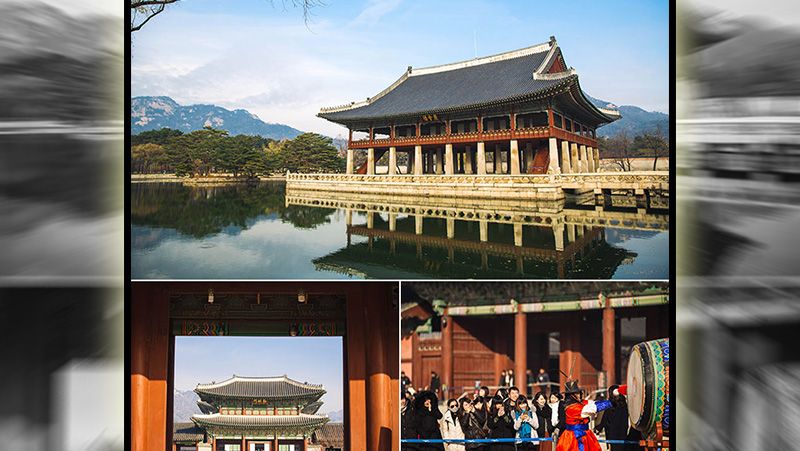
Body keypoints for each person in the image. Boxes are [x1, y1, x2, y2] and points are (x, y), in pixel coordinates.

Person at [555, 381, 612, 451]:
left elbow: (593, 403)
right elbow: (594, 408)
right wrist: (611, 402)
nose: (579, 395)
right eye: (576, 393)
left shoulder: (581, 403)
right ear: (571, 395)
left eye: (579, 393)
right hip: (573, 437)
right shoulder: (571, 408)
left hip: (585, 434)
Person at [594, 385, 640, 451]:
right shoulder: (624, 404)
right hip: (623, 431)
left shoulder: (610, 405)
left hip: (612, 432)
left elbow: (605, 419)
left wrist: (598, 429)